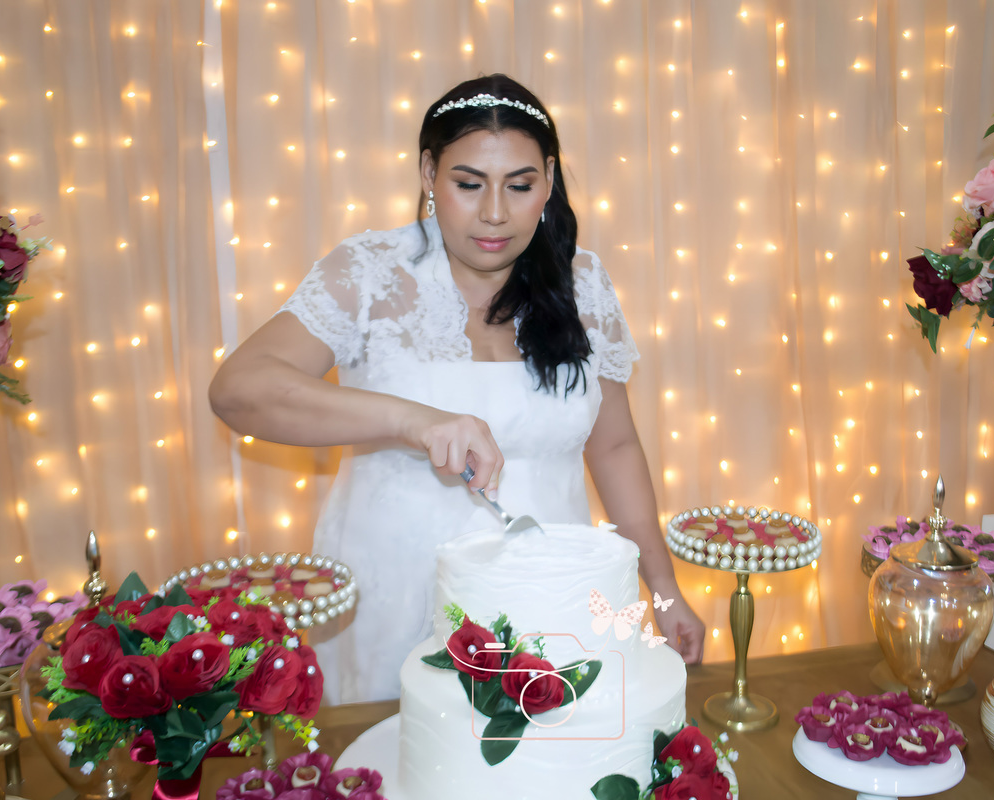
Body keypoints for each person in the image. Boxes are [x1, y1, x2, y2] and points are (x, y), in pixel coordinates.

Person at [209, 74, 705, 703]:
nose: (494, 212)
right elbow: (238, 390)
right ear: (427, 174)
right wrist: (413, 420)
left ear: (549, 181)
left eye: (520, 186)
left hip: (547, 599)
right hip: (394, 592)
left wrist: (663, 592)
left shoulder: (585, 283)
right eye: (468, 184)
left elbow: (615, 450)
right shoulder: (369, 271)